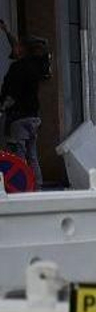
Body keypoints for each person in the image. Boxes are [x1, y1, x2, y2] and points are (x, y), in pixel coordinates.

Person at [0, 21, 49, 188]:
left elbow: (11, 94)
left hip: (18, 118)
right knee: (32, 154)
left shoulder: (17, 69)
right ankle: (37, 186)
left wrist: (2, 108)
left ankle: (21, 187)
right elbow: (18, 46)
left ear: (22, 50)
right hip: (33, 118)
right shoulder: (36, 65)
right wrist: (6, 31)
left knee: (18, 156)